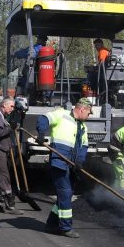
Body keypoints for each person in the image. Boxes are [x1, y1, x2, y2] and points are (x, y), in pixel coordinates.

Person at [36, 101, 92, 238]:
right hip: (60, 163)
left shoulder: (83, 128)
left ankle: (51, 224)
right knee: (66, 194)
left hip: (72, 166)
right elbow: (44, 118)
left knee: (64, 196)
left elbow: (84, 147)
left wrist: (79, 162)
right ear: (82, 109)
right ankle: (66, 227)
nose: (89, 115)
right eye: (89, 112)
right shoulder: (62, 114)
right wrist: (41, 132)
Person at [0, 97, 23, 215]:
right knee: (3, 177)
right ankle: (10, 206)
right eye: (11, 106)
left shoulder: (0, 116)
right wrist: (10, 128)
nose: (12, 109)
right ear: (4, 105)